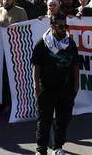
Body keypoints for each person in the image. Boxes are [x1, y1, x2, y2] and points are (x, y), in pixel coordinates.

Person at [31, 14, 80, 155]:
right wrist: (36, 86)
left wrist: (76, 84)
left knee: (63, 120)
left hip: (66, 89)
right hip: (46, 89)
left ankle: (58, 147)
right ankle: (41, 149)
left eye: (65, 26)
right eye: (60, 26)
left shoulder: (70, 43)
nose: (64, 29)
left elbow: (75, 64)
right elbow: (36, 66)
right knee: (44, 121)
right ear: (52, 27)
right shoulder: (42, 43)